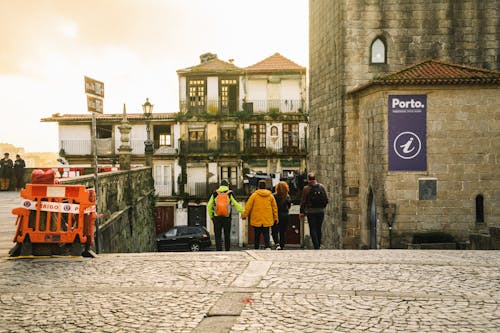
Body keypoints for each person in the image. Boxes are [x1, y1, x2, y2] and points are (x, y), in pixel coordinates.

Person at [207, 180, 243, 251]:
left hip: (217, 217)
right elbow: (236, 203)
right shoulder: (229, 193)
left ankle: (219, 249)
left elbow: (209, 205)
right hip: (227, 217)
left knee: (218, 235)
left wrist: (211, 215)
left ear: (220, 186)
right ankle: (227, 249)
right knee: (227, 234)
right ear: (227, 186)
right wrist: (242, 212)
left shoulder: (215, 193)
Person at [242, 180, 278, 250]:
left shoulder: (254, 195)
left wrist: (244, 215)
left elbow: (248, 206)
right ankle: (267, 246)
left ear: (258, 186)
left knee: (256, 234)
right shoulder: (270, 196)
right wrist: (276, 217)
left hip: (256, 218)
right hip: (267, 218)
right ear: (265, 186)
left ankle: (256, 247)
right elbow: (274, 208)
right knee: (266, 233)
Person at [300, 172, 328, 249]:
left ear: (308, 180)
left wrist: (301, 212)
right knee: (319, 227)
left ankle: (316, 246)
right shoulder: (321, 187)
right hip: (320, 211)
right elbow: (326, 199)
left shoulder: (306, 188)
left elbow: (303, 201)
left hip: (311, 211)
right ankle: (318, 244)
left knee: (313, 228)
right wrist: (322, 207)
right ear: (315, 179)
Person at [272, 181, 292, 250]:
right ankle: (282, 245)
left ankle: (277, 243)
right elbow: (289, 206)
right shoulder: (287, 196)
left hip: (276, 215)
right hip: (285, 215)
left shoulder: (274, 196)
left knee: (274, 230)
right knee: (283, 231)